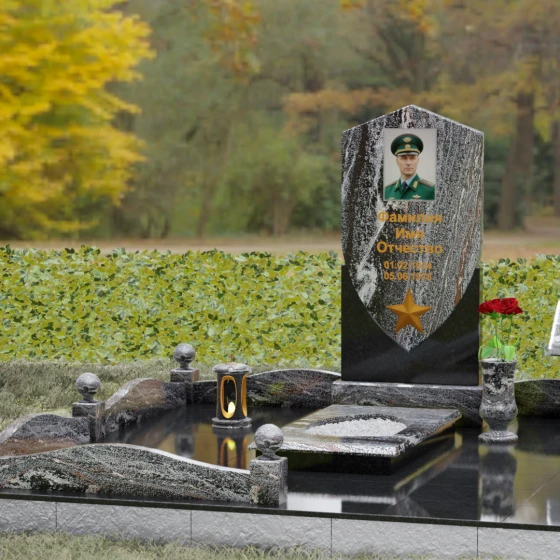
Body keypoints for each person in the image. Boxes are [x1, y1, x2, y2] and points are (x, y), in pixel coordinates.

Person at [384, 133, 435, 201]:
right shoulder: (387, 191)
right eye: (403, 158)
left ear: (418, 160)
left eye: (412, 158)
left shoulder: (430, 190)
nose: (408, 163)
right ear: (397, 161)